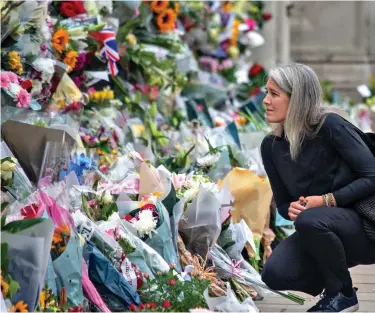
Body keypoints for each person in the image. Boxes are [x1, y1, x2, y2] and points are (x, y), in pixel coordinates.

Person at [260, 63, 375, 312]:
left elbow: (372, 175)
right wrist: (289, 209)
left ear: (297, 98)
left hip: (366, 227)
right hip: (322, 229)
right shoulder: (271, 146)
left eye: (274, 94)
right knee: (274, 273)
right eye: (266, 92)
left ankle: (342, 295)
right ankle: (335, 282)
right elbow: (281, 203)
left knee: (311, 219)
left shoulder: (330, 126)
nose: (266, 101)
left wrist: (326, 200)